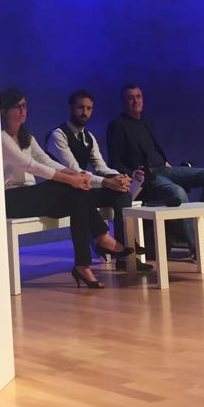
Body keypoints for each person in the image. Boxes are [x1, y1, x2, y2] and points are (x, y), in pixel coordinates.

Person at [0, 87, 133, 289]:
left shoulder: (27, 137)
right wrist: (70, 179)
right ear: (4, 111)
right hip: (11, 197)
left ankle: (82, 265)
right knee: (68, 187)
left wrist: (75, 175)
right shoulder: (1, 137)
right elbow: (31, 166)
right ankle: (103, 237)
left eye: (24, 106)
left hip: (29, 195)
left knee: (78, 197)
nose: (22, 110)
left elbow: (46, 161)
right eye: (17, 106)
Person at [106, 84, 204, 258]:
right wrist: (132, 174)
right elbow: (115, 161)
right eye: (130, 98)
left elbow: (154, 150)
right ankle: (196, 247)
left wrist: (167, 163)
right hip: (147, 177)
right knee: (178, 192)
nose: (135, 101)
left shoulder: (146, 121)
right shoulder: (117, 125)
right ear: (123, 102)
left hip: (164, 169)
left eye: (138, 97)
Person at [45, 89, 152, 272]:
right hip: (63, 192)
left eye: (89, 108)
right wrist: (107, 182)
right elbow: (75, 170)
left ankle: (124, 252)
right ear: (71, 107)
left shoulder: (89, 137)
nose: (84, 112)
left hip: (83, 189)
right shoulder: (58, 135)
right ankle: (108, 243)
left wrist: (119, 176)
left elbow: (101, 166)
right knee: (102, 189)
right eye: (80, 107)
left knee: (122, 193)